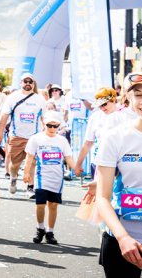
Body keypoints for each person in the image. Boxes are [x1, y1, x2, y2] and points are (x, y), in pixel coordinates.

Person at [95, 72, 142, 277]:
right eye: (139, 94)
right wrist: (123, 238)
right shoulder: (115, 137)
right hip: (122, 241)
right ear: (127, 97)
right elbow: (102, 198)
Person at [23, 111, 75, 245]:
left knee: (53, 205)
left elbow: (68, 157)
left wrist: (76, 168)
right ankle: (40, 229)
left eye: (55, 126)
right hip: (41, 177)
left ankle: (50, 232)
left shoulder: (62, 140)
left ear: (59, 126)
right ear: (43, 124)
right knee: (40, 205)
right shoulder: (36, 138)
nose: (52, 128)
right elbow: (29, 157)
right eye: (49, 125)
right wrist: (26, 173)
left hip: (57, 178)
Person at [0, 73, 46, 197]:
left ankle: (30, 187)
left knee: (33, 163)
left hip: (34, 137)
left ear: (34, 84)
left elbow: (44, 117)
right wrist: (0, 133)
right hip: (17, 136)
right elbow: (4, 116)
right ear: (21, 83)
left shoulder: (39, 99)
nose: (28, 84)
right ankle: (13, 177)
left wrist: (47, 133)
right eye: (25, 81)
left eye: (31, 82)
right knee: (15, 165)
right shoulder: (13, 97)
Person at [73, 87, 118, 178]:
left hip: (120, 164)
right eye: (100, 105)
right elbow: (88, 143)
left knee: (125, 192)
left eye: (104, 104)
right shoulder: (95, 117)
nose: (102, 108)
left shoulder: (124, 115)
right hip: (99, 162)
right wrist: (78, 164)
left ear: (113, 100)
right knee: (99, 192)